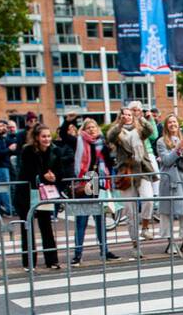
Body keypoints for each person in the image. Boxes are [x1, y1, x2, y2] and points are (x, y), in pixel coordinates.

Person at [106, 103, 157, 253]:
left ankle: (146, 226)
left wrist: (143, 118)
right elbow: (110, 137)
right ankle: (135, 245)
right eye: (124, 115)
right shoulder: (118, 132)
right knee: (130, 210)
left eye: (129, 114)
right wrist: (119, 125)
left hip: (142, 169)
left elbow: (151, 131)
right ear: (120, 117)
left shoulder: (139, 130)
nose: (127, 117)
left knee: (148, 199)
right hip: (126, 173)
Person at [15, 123, 64, 270]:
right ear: (36, 137)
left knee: (46, 226)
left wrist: (54, 177)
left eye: (49, 136)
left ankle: (52, 260)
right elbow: (27, 172)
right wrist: (44, 176)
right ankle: (29, 262)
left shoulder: (55, 150)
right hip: (27, 192)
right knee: (27, 227)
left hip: (45, 193)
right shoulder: (28, 151)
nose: (47, 139)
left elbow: (61, 172)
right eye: (43, 136)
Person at [72, 117, 118, 263]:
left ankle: (104, 250)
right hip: (86, 181)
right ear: (84, 130)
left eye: (94, 127)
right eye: (89, 127)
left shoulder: (103, 142)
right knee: (82, 220)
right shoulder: (80, 141)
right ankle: (77, 253)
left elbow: (110, 162)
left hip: (100, 181)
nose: (92, 129)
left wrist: (110, 151)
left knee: (100, 219)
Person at [156, 114, 183, 255]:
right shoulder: (161, 142)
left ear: (178, 124)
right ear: (166, 125)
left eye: (174, 122)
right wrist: (178, 149)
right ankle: (170, 241)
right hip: (169, 181)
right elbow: (166, 160)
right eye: (169, 122)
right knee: (167, 211)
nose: (172, 124)